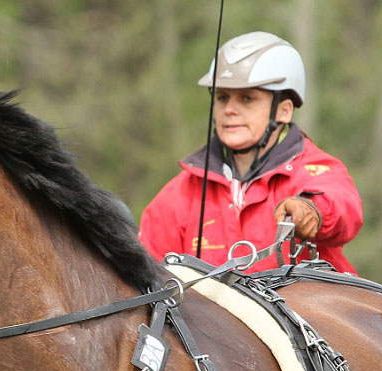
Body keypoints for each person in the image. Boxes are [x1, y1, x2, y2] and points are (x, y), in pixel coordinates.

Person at [139, 31, 363, 273]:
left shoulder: (313, 169)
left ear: (284, 111)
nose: (230, 110)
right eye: (222, 98)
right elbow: (146, 277)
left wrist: (313, 211)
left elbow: (344, 206)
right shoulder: (180, 194)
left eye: (247, 98)